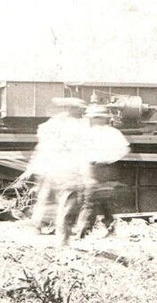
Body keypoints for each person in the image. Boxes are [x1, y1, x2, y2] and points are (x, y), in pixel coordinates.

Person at [19, 97, 90, 234]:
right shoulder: (72, 125)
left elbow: (42, 147)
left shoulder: (53, 123)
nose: (82, 111)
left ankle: (40, 225)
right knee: (63, 198)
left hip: (52, 167)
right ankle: (57, 227)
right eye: (79, 108)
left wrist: (32, 167)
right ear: (72, 109)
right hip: (62, 167)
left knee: (48, 197)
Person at [74, 105, 131, 240]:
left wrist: (105, 160)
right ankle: (109, 229)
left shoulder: (104, 133)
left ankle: (82, 232)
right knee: (103, 201)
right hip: (100, 168)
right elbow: (124, 149)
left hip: (100, 169)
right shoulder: (110, 133)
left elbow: (123, 149)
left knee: (90, 200)